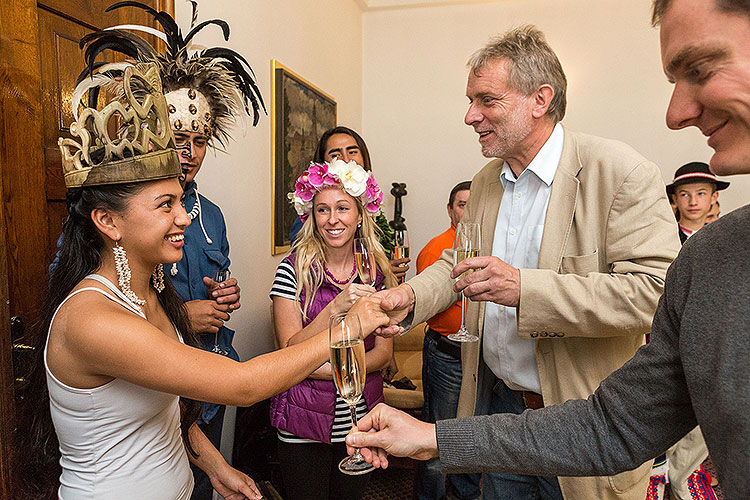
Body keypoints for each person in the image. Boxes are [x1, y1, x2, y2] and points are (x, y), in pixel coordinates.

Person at [345, 1, 750, 499]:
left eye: (486, 100)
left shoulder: (619, 172)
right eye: (471, 100)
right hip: (496, 406)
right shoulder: (486, 181)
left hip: (581, 416)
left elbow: (655, 292)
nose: (470, 115)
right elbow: (458, 262)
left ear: (541, 98)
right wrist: (407, 298)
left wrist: (524, 289)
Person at [11, 62, 391, 500]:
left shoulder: (147, 295)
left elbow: (163, 409)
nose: (184, 217)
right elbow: (244, 385)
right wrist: (347, 325)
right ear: (107, 221)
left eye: (181, 200)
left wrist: (214, 465)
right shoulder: (92, 319)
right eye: (165, 205)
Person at [76, 5, 265, 497]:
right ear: (108, 223)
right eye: (177, 137)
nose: (189, 151)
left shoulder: (212, 214)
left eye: (199, 139)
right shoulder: (94, 302)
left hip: (203, 385)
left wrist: (224, 298)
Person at [269, 160, 395, 500]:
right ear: (312, 216)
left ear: (359, 215)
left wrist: (318, 367)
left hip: (361, 420)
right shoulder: (291, 271)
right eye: (322, 210)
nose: (333, 219)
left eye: (342, 208)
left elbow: (383, 355)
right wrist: (336, 307)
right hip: (302, 419)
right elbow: (289, 349)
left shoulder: (378, 274)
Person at [414, 181, 480, 500]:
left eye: (472, 204)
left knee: (473, 434)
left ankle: (467, 495)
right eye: (460, 204)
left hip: (481, 360)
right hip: (447, 355)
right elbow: (434, 301)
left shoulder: (486, 244)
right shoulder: (436, 249)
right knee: (436, 433)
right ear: (450, 210)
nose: (466, 210)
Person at [289, 126, 411, 283]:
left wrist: (385, 271)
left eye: (352, 152)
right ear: (323, 164)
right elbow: (305, 270)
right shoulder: (312, 220)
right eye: (335, 154)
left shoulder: (371, 210)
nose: (346, 160)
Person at [667, 162, 729, 243]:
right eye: (684, 195)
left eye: (701, 193)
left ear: (714, 197)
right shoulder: (665, 236)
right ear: (675, 199)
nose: (693, 202)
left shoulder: (722, 238)